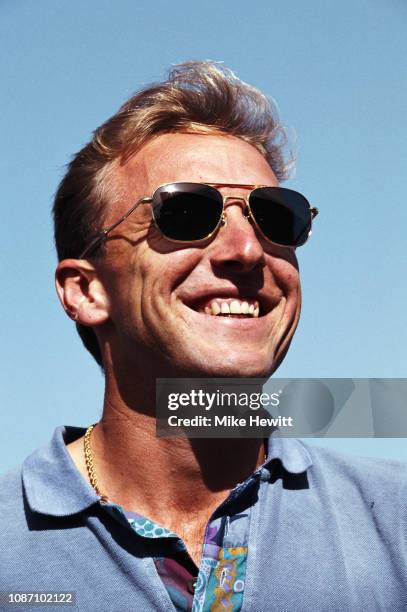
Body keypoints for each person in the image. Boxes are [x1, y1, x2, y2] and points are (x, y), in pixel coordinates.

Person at [1, 61, 406, 612]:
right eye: (187, 212)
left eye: (275, 218)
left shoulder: (394, 521)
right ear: (86, 291)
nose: (246, 250)